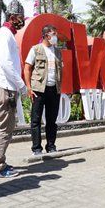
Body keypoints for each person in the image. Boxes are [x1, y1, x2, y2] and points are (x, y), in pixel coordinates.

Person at [0, 0, 27, 178]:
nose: (22, 21)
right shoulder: (4, 34)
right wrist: (21, 85)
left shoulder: (7, 34)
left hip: (7, 87)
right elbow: (6, 63)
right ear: (12, 17)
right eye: (20, 17)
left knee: (5, 126)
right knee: (4, 128)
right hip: (5, 88)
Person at [24, 25, 62, 156]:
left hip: (54, 89)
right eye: (54, 34)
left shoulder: (57, 51)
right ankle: (36, 148)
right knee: (36, 120)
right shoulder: (35, 49)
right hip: (39, 89)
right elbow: (27, 68)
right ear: (46, 35)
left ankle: (51, 146)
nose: (56, 37)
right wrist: (29, 87)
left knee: (52, 120)